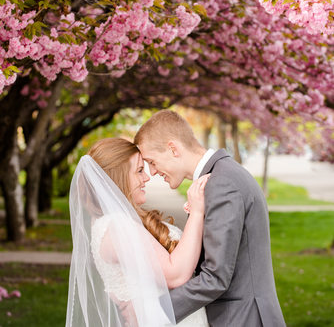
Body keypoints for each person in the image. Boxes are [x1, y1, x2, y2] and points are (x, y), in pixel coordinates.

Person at [135, 110, 286, 327]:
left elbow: (215, 277)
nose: (152, 172)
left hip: (242, 319)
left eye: (152, 161)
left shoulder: (222, 183)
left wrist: (154, 311)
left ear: (173, 149)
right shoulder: (220, 176)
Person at [65, 137, 210, 327]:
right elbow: (175, 274)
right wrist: (197, 212)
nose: (147, 177)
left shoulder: (113, 223)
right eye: (140, 171)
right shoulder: (117, 226)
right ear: (119, 176)